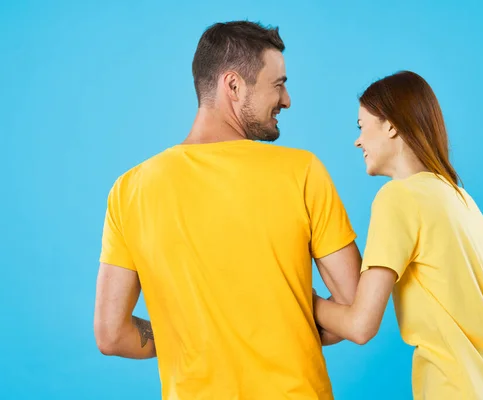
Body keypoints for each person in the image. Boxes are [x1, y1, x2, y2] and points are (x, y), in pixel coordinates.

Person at [93, 21, 361, 399]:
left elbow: (112, 334)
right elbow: (355, 305)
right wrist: (289, 318)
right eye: (278, 84)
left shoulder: (130, 190)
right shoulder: (302, 172)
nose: (287, 100)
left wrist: (186, 340)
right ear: (233, 85)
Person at [312, 71, 483, 399]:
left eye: (361, 126)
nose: (358, 140)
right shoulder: (461, 202)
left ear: (390, 125)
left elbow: (360, 325)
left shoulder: (398, 198)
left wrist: (300, 297)